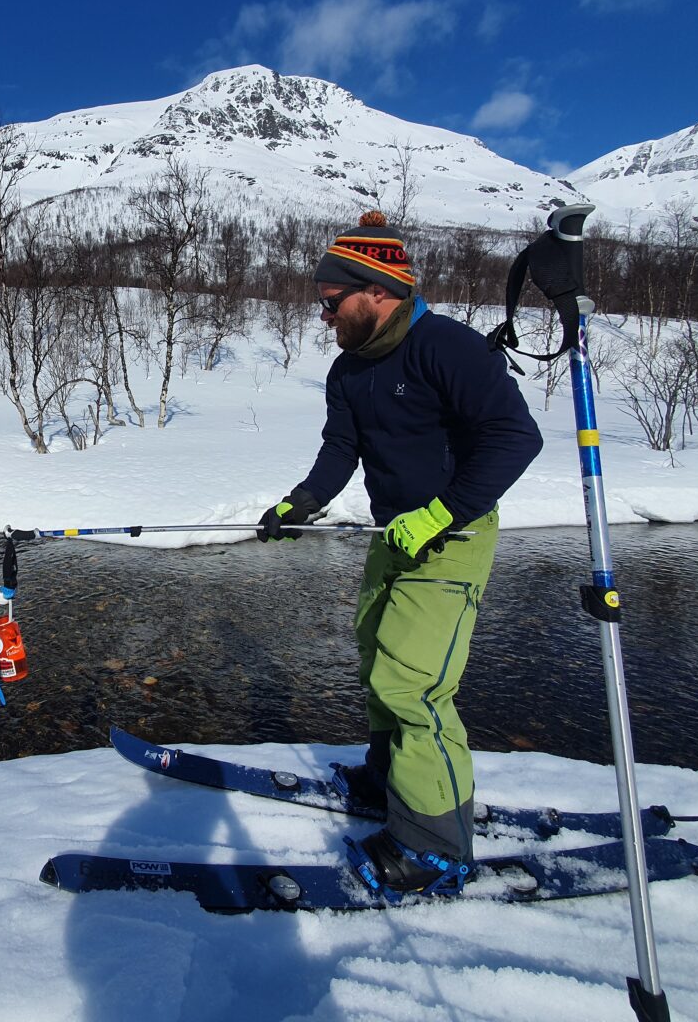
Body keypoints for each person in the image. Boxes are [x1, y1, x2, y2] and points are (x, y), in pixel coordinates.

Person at [257, 210, 543, 897]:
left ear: (378, 291)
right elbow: (341, 449)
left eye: (331, 302)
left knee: (413, 685)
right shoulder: (350, 370)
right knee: (374, 657)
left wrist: (442, 514)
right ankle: (390, 778)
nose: (323, 315)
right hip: (395, 537)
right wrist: (303, 501)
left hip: (455, 537)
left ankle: (435, 847)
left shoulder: (448, 348)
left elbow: (515, 437)